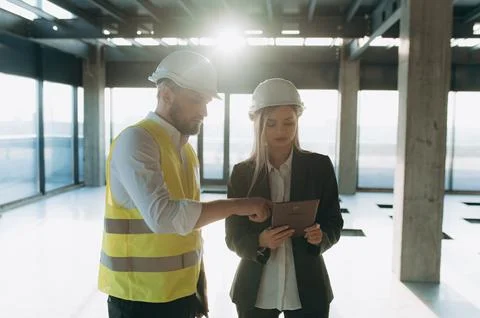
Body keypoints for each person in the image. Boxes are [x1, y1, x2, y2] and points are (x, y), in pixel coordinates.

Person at [98, 50, 271, 318]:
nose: (204, 111)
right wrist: (240, 205)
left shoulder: (185, 150)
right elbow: (165, 217)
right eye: (195, 100)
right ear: (166, 94)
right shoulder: (136, 141)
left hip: (180, 295)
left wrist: (197, 290)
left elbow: (189, 230)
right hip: (139, 300)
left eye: (207, 102)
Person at [225, 78, 344, 318]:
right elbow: (233, 236)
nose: (281, 130)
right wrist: (260, 240)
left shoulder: (319, 167)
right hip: (255, 289)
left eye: (289, 122)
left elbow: (334, 222)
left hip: (308, 290)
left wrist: (321, 237)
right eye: (271, 124)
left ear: (297, 121)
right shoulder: (242, 174)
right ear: (258, 124)